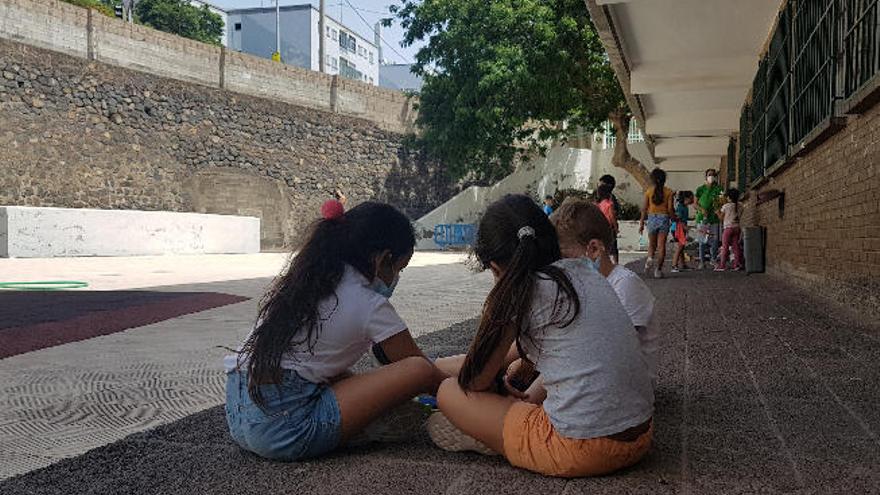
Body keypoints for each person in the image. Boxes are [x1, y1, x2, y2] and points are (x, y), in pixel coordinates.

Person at [426, 194, 654, 478]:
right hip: (640, 435)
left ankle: (490, 437)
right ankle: (500, 428)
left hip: (580, 448)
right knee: (515, 386)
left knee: (449, 392)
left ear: (495, 267)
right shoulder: (586, 273)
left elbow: (474, 380)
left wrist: (494, 383)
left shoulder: (519, 291)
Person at [224, 200, 447, 461]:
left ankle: (363, 422)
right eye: (399, 269)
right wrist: (466, 400)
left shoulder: (312, 281)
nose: (395, 279)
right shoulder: (369, 303)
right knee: (417, 370)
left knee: (346, 375)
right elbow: (422, 370)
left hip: (240, 418)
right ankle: (370, 424)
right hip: (287, 431)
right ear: (384, 259)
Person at [551, 199, 658, 384]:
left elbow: (611, 350)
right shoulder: (583, 286)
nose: (559, 267)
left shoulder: (625, 285)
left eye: (563, 258)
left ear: (593, 249)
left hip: (626, 387)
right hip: (600, 376)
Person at [639, 168, 676, 279]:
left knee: (652, 244)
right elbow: (670, 209)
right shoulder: (669, 192)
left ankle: (650, 258)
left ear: (653, 179)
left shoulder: (649, 191)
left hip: (652, 218)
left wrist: (641, 223)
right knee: (661, 246)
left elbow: (644, 209)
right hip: (664, 218)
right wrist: (674, 219)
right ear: (664, 179)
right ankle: (658, 271)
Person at [694, 169, 723, 270]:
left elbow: (721, 202)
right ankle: (702, 262)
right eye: (709, 175)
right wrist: (701, 209)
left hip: (714, 219)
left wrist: (718, 209)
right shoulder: (700, 189)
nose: (711, 176)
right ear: (706, 176)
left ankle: (713, 259)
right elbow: (695, 204)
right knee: (702, 241)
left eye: (713, 175)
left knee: (714, 241)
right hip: (702, 218)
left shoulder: (719, 189)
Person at [716, 188, 744, 271]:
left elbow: (721, 218)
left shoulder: (726, 206)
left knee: (725, 247)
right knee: (736, 247)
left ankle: (722, 265)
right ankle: (737, 264)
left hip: (728, 229)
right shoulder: (740, 205)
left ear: (729, 197)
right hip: (737, 228)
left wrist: (717, 213)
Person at [595, 182, 620, 265]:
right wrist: (616, 228)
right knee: (613, 248)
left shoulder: (598, 205)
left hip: (600, 228)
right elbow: (612, 217)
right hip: (609, 228)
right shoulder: (609, 204)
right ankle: (615, 264)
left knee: (603, 247)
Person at [671, 191, 695, 273]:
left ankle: (683, 265)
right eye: (691, 198)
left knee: (681, 247)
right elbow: (678, 219)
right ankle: (674, 265)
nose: (693, 199)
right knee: (680, 247)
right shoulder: (680, 207)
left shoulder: (684, 206)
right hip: (677, 229)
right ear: (686, 198)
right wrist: (684, 226)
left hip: (680, 229)